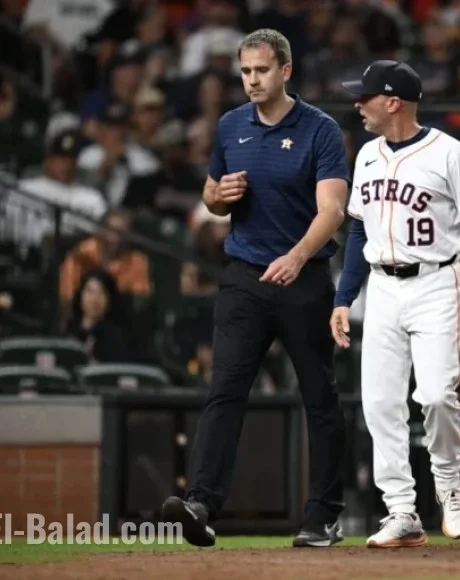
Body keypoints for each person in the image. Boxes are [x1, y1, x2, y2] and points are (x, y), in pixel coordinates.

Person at [161, 29, 350, 549]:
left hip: (303, 277)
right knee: (225, 390)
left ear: (285, 71)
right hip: (244, 275)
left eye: (260, 71)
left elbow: (332, 210)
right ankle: (200, 502)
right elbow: (212, 197)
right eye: (244, 72)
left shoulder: (320, 130)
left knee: (319, 397)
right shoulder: (229, 126)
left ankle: (323, 515)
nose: (251, 81)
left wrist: (296, 256)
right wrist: (218, 196)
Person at [331, 60, 460, 547]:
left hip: (434, 282)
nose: (357, 104)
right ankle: (401, 511)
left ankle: (449, 490)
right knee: (381, 403)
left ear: (393, 102)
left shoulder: (450, 153)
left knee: (434, 395)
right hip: (381, 288)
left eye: (365, 97)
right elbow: (360, 228)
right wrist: (345, 297)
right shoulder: (365, 155)